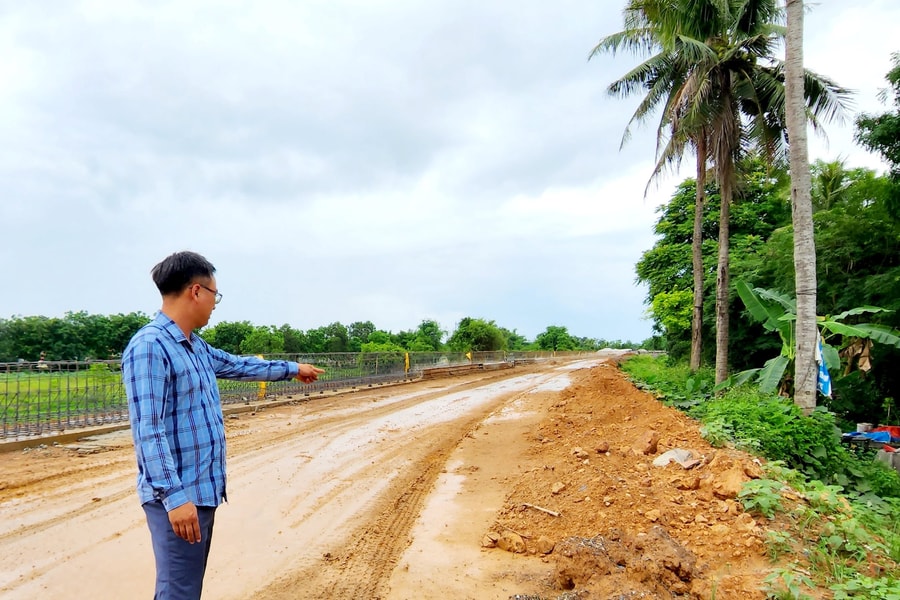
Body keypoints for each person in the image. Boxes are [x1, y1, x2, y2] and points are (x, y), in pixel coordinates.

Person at [122, 251, 324, 600]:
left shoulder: (195, 347)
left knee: (185, 589)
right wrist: (174, 498)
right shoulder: (150, 346)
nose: (216, 304)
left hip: (202, 491)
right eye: (215, 295)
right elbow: (148, 430)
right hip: (180, 495)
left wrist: (293, 368)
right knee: (178, 592)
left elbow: (241, 366)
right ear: (196, 292)